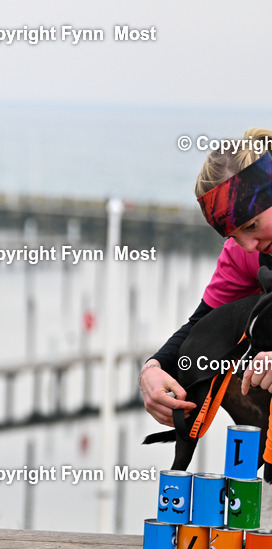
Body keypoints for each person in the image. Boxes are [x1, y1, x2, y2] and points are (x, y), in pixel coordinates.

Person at [140, 128, 272, 505]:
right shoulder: (243, 250)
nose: (246, 245)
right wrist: (152, 370)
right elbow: (203, 324)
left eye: (250, 226)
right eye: (231, 234)